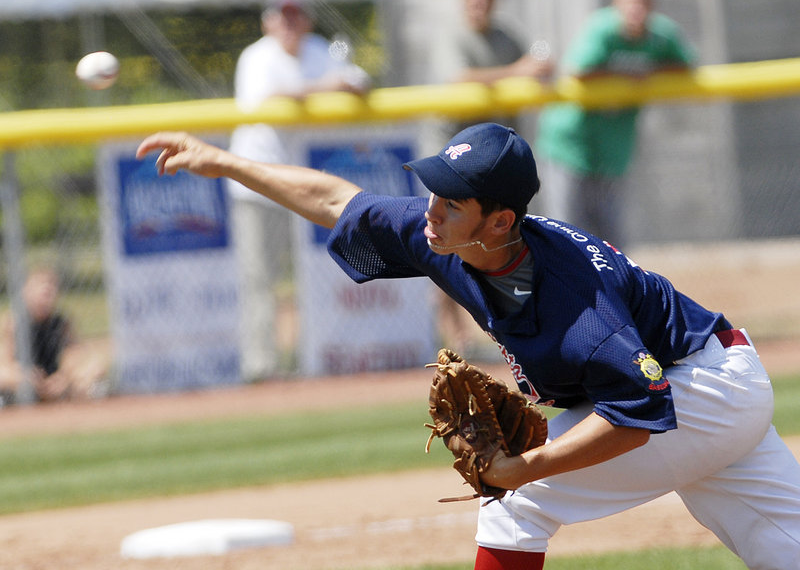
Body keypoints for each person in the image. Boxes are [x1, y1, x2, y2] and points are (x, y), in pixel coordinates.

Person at [136, 123, 800, 569]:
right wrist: (222, 161)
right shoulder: (448, 238)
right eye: (433, 193)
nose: (431, 211)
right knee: (784, 546)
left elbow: (638, 417)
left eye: (451, 203)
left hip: (696, 391)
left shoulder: (580, 307)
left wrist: (529, 467)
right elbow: (337, 199)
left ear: (500, 221)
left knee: (515, 503)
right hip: (720, 379)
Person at [227, 0, 370, 381]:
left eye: (296, 14)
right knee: (260, 279)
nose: (289, 22)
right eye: (282, 15)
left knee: (316, 275)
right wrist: (329, 85)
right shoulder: (256, 57)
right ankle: (262, 367)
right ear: (268, 22)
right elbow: (272, 97)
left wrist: (344, 81)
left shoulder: (318, 50)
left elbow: (359, 79)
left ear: (307, 20)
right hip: (256, 183)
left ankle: (318, 358)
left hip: (304, 186)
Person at [429, 0, 553, 356]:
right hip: (455, 160)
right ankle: (457, 340)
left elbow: (535, 71)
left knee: (515, 240)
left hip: (496, 164)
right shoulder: (451, 36)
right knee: (444, 245)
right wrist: (520, 70)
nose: (478, 4)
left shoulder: (505, 37)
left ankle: (519, 327)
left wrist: (539, 68)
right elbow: (461, 80)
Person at [535, 0, 695, 245]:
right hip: (572, 145)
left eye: (642, 3)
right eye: (630, 2)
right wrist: (626, 74)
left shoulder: (660, 35)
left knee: (611, 240)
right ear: (617, 4)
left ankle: (611, 285)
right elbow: (578, 71)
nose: (636, 10)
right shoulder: (602, 29)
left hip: (612, 149)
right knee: (567, 234)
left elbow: (687, 67)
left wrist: (649, 72)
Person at [0, 267, 109, 404]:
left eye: (50, 290)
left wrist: (63, 378)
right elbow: (5, 362)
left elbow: (75, 354)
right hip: (26, 380)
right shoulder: (14, 322)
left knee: (95, 367)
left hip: (56, 380)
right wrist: (25, 376)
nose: (46, 295)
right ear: (26, 291)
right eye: (40, 289)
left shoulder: (61, 322)